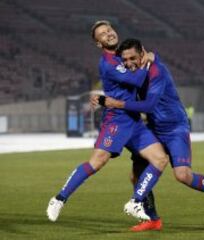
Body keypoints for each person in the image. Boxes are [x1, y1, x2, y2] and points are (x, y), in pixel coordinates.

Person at [91, 38, 204, 232]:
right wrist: (99, 98)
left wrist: (117, 104)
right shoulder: (134, 74)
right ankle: (152, 219)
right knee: (136, 175)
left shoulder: (157, 71)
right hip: (152, 128)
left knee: (182, 175)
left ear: (142, 52)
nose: (129, 63)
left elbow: (149, 105)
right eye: (125, 60)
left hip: (174, 128)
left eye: (133, 57)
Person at [46, 20, 169, 223]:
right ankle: (59, 199)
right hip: (117, 121)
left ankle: (136, 202)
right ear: (99, 43)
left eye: (109, 30)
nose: (109, 34)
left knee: (160, 159)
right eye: (103, 34)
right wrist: (148, 61)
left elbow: (139, 65)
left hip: (135, 122)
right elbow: (138, 80)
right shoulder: (108, 63)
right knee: (97, 162)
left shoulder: (123, 54)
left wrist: (150, 58)